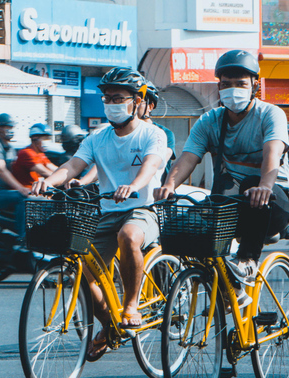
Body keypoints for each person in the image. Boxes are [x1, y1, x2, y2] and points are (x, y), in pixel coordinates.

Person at [33, 67, 168, 361]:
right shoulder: (98, 138)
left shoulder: (152, 134)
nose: (111, 104)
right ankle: (110, 326)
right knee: (82, 272)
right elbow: (73, 165)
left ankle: (130, 306)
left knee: (128, 236)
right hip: (107, 212)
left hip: (142, 209)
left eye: (118, 98)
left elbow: (151, 166)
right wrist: (48, 181)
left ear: (136, 101)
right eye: (107, 99)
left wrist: (132, 185)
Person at [155, 49, 289, 306]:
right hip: (230, 207)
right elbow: (188, 157)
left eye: (240, 84)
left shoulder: (270, 114)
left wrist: (265, 185)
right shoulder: (210, 121)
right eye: (226, 84)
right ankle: (233, 292)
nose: (233, 90)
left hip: (274, 202)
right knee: (192, 228)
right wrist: (169, 185)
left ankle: (248, 261)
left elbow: (272, 152)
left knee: (253, 187)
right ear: (219, 86)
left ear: (254, 84)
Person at [138, 80, 176, 183]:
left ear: (150, 106)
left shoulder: (165, 133)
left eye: (139, 101)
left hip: (157, 193)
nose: (134, 106)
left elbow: (160, 159)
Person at [10, 123, 58, 188]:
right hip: (26, 192)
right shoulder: (26, 153)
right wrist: (63, 179)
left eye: (48, 139)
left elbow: (51, 166)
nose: (47, 142)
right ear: (35, 138)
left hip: (35, 190)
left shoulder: (40, 153)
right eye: (44, 139)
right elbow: (44, 172)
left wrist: (67, 174)